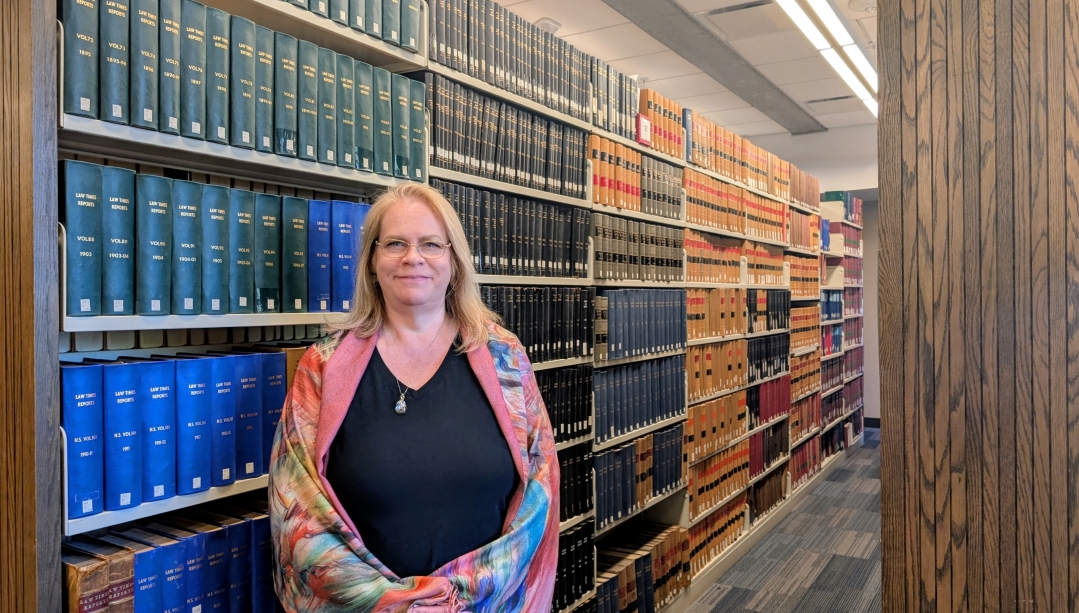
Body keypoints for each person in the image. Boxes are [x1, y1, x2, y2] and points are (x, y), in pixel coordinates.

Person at [268, 183, 560, 612]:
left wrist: (456, 598)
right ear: (372, 261)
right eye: (396, 244)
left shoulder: (506, 360)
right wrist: (393, 603)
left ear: (454, 260)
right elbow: (294, 508)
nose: (413, 257)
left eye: (430, 244)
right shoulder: (323, 368)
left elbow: (540, 490)